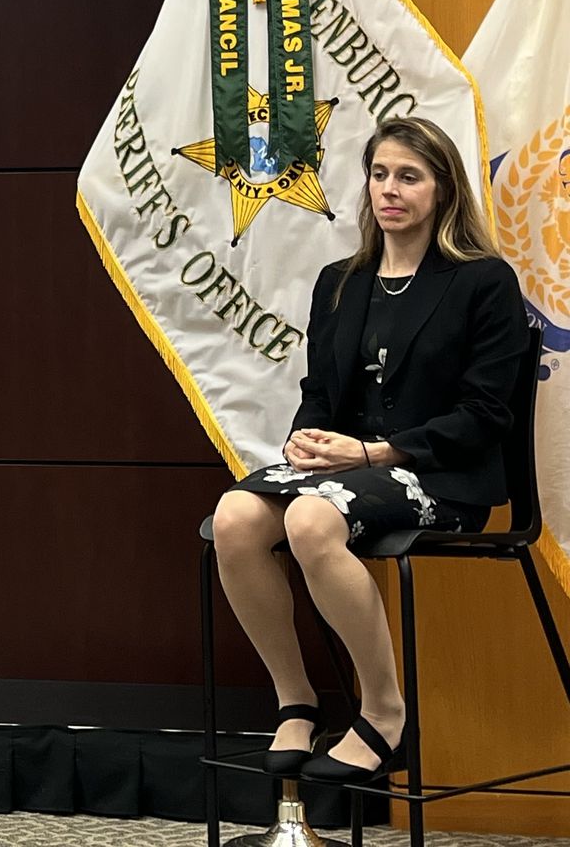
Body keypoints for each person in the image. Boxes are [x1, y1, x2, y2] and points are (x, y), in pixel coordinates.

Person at [210, 115, 529, 783]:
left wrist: (376, 452)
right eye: (379, 174)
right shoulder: (340, 281)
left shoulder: (482, 282)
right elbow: (320, 392)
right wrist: (308, 434)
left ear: (442, 189)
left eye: (408, 176)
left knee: (309, 519)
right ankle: (296, 699)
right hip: (347, 472)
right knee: (236, 518)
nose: (389, 189)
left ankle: (385, 713)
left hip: (440, 477)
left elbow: (485, 415)